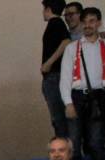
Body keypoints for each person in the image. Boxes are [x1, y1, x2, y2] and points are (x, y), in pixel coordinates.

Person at [60, 7, 105, 160]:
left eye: (92, 21)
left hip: (99, 97)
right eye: (85, 22)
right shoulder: (72, 48)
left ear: (99, 23)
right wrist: (68, 103)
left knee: (96, 141)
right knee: (74, 141)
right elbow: (65, 77)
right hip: (77, 96)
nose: (88, 25)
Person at [43, 0, 75, 139]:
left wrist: (48, 63)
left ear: (48, 9)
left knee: (59, 118)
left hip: (55, 76)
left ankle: (63, 144)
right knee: (58, 118)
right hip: (54, 76)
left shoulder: (56, 23)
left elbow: (66, 41)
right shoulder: (56, 24)